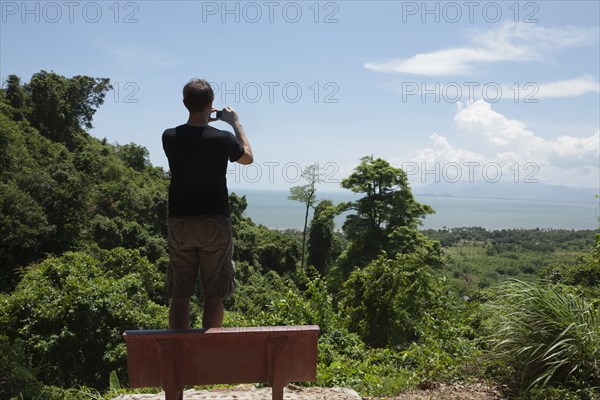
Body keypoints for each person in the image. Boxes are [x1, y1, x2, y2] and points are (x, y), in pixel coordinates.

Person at [162, 78, 253, 332]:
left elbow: (193, 134)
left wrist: (203, 118)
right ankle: (209, 354)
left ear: (184, 104)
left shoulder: (169, 137)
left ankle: (178, 353)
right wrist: (234, 122)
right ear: (211, 103)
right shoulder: (222, 139)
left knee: (180, 294)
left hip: (180, 222)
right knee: (214, 293)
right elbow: (247, 158)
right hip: (214, 222)